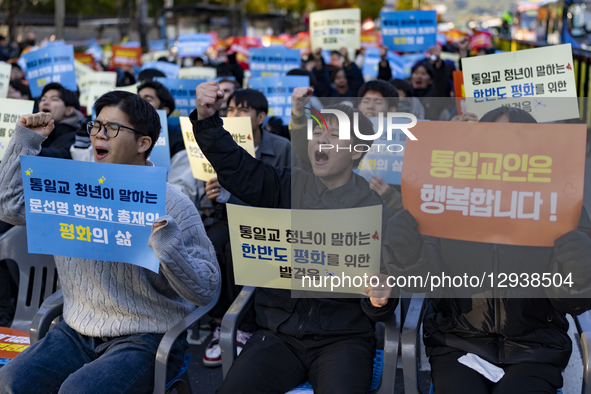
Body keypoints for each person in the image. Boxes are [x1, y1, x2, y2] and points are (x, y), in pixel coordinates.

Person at [0, 90, 219, 393]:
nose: (99, 135)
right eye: (97, 125)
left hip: (146, 337)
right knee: (11, 382)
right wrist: (26, 139)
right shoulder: (72, 188)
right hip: (74, 330)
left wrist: (169, 247)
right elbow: (9, 206)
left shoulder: (173, 203)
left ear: (143, 143)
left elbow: (206, 289)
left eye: (112, 128)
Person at [192, 81, 397, 393]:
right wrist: (207, 121)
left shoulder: (375, 209)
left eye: (334, 136)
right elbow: (236, 167)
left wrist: (381, 299)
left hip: (343, 340)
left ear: (358, 150)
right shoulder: (285, 184)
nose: (321, 142)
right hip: (277, 335)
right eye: (317, 133)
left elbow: (382, 297)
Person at [385, 106, 591, 394]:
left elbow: (573, 304)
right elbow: (425, 281)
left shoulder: (562, 205)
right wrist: (408, 253)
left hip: (535, 349)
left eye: (515, 139)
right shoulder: (446, 198)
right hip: (458, 343)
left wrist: (579, 271)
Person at [201, 88, 292, 368]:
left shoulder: (281, 147)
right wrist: (210, 192)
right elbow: (205, 202)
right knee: (211, 245)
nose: (234, 115)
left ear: (261, 117)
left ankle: (242, 322)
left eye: (243, 110)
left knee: (237, 246)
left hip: (265, 220)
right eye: (229, 110)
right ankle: (218, 319)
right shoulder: (219, 145)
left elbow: (283, 196)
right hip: (226, 216)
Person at [37, 83, 84, 159]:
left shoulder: (79, 137)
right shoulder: (31, 131)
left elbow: (62, 155)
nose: (45, 102)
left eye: (54, 99)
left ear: (68, 110)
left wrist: (29, 149)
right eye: (43, 99)